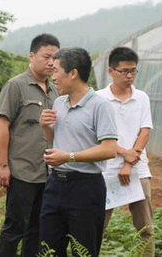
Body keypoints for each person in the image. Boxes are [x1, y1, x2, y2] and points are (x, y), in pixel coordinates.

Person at [39, 47, 118, 257]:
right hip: (55, 185)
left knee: (83, 251)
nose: (52, 77)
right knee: (48, 250)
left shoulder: (100, 106)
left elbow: (109, 149)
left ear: (73, 73)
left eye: (56, 71)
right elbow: (57, 140)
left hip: (86, 187)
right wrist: (46, 126)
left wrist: (69, 157)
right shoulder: (59, 103)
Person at [0, 33, 60, 257]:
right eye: (46, 57)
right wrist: (3, 165)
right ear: (31, 56)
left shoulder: (56, 91)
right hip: (22, 171)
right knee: (14, 228)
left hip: (47, 173)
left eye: (55, 58)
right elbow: (2, 124)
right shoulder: (16, 86)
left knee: (37, 230)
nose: (51, 62)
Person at [96, 47, 154, 255]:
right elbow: (96, 135)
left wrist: (129, 163)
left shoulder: (142, 98)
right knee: (96, 228)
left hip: (138, 170)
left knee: (145, 229)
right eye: (124, 71)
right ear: (111, 71)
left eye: (133, 71)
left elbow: (145, 132)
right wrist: (121, 152)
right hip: (105, 170)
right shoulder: (98, 98)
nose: (129, 76)